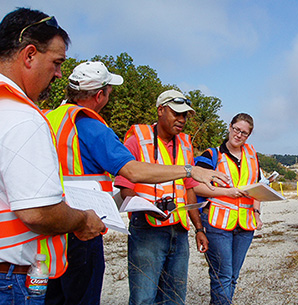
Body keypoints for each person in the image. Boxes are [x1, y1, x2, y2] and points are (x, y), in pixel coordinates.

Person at [44, 62, 228, 305]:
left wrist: (199, 228)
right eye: (110, 92)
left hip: (54, 221)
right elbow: (130, 172)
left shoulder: (48, 118)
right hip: (86, 227)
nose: (182, 119)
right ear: (100, 94)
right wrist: (189, 170)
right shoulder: (93, 126)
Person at [0, 8, 105, 304]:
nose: (59, 74)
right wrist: (82, 219)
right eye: (57, 62)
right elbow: (38, 212)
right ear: (29, 55)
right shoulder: (23, 117)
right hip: (12, 281)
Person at [114, 89, 208, 304]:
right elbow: (124, 185)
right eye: (177, 113)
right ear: (160, 110)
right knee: (143, 297)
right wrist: (143, 209)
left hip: (179, 231)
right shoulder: (138, 139)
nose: (182, 119)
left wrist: (199, 229)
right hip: (147, 230)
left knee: (175, 297)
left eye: (185, 115)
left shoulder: (185, 144)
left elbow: (189, 189)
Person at [194, 113, 263, 305]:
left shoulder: (252, 155)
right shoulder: (212, 155)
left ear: (249, 136)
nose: (239, 135)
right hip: (218, 224)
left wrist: (257, 213)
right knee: (222, 276)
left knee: (233, 275)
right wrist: (227, 193)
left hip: (245, 224)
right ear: (230, 127)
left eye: (244, 133)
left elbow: (256, 186)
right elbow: (195, 186)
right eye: (236, 129)